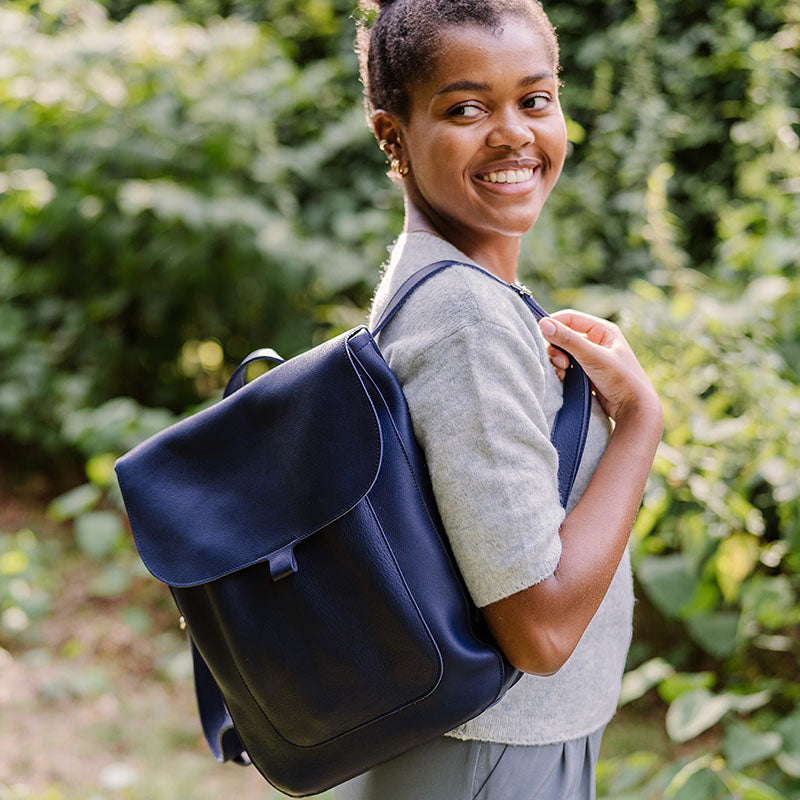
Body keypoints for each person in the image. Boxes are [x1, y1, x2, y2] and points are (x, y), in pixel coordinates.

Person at [338, 0, 664, 797]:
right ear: (393, 137)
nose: (514, 132)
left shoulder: (453, 291)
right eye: (466, 107)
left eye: (535, 99)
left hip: (481, 744)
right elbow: (542, 631)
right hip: (491, 754)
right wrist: (640, 425)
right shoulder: (466, 317)